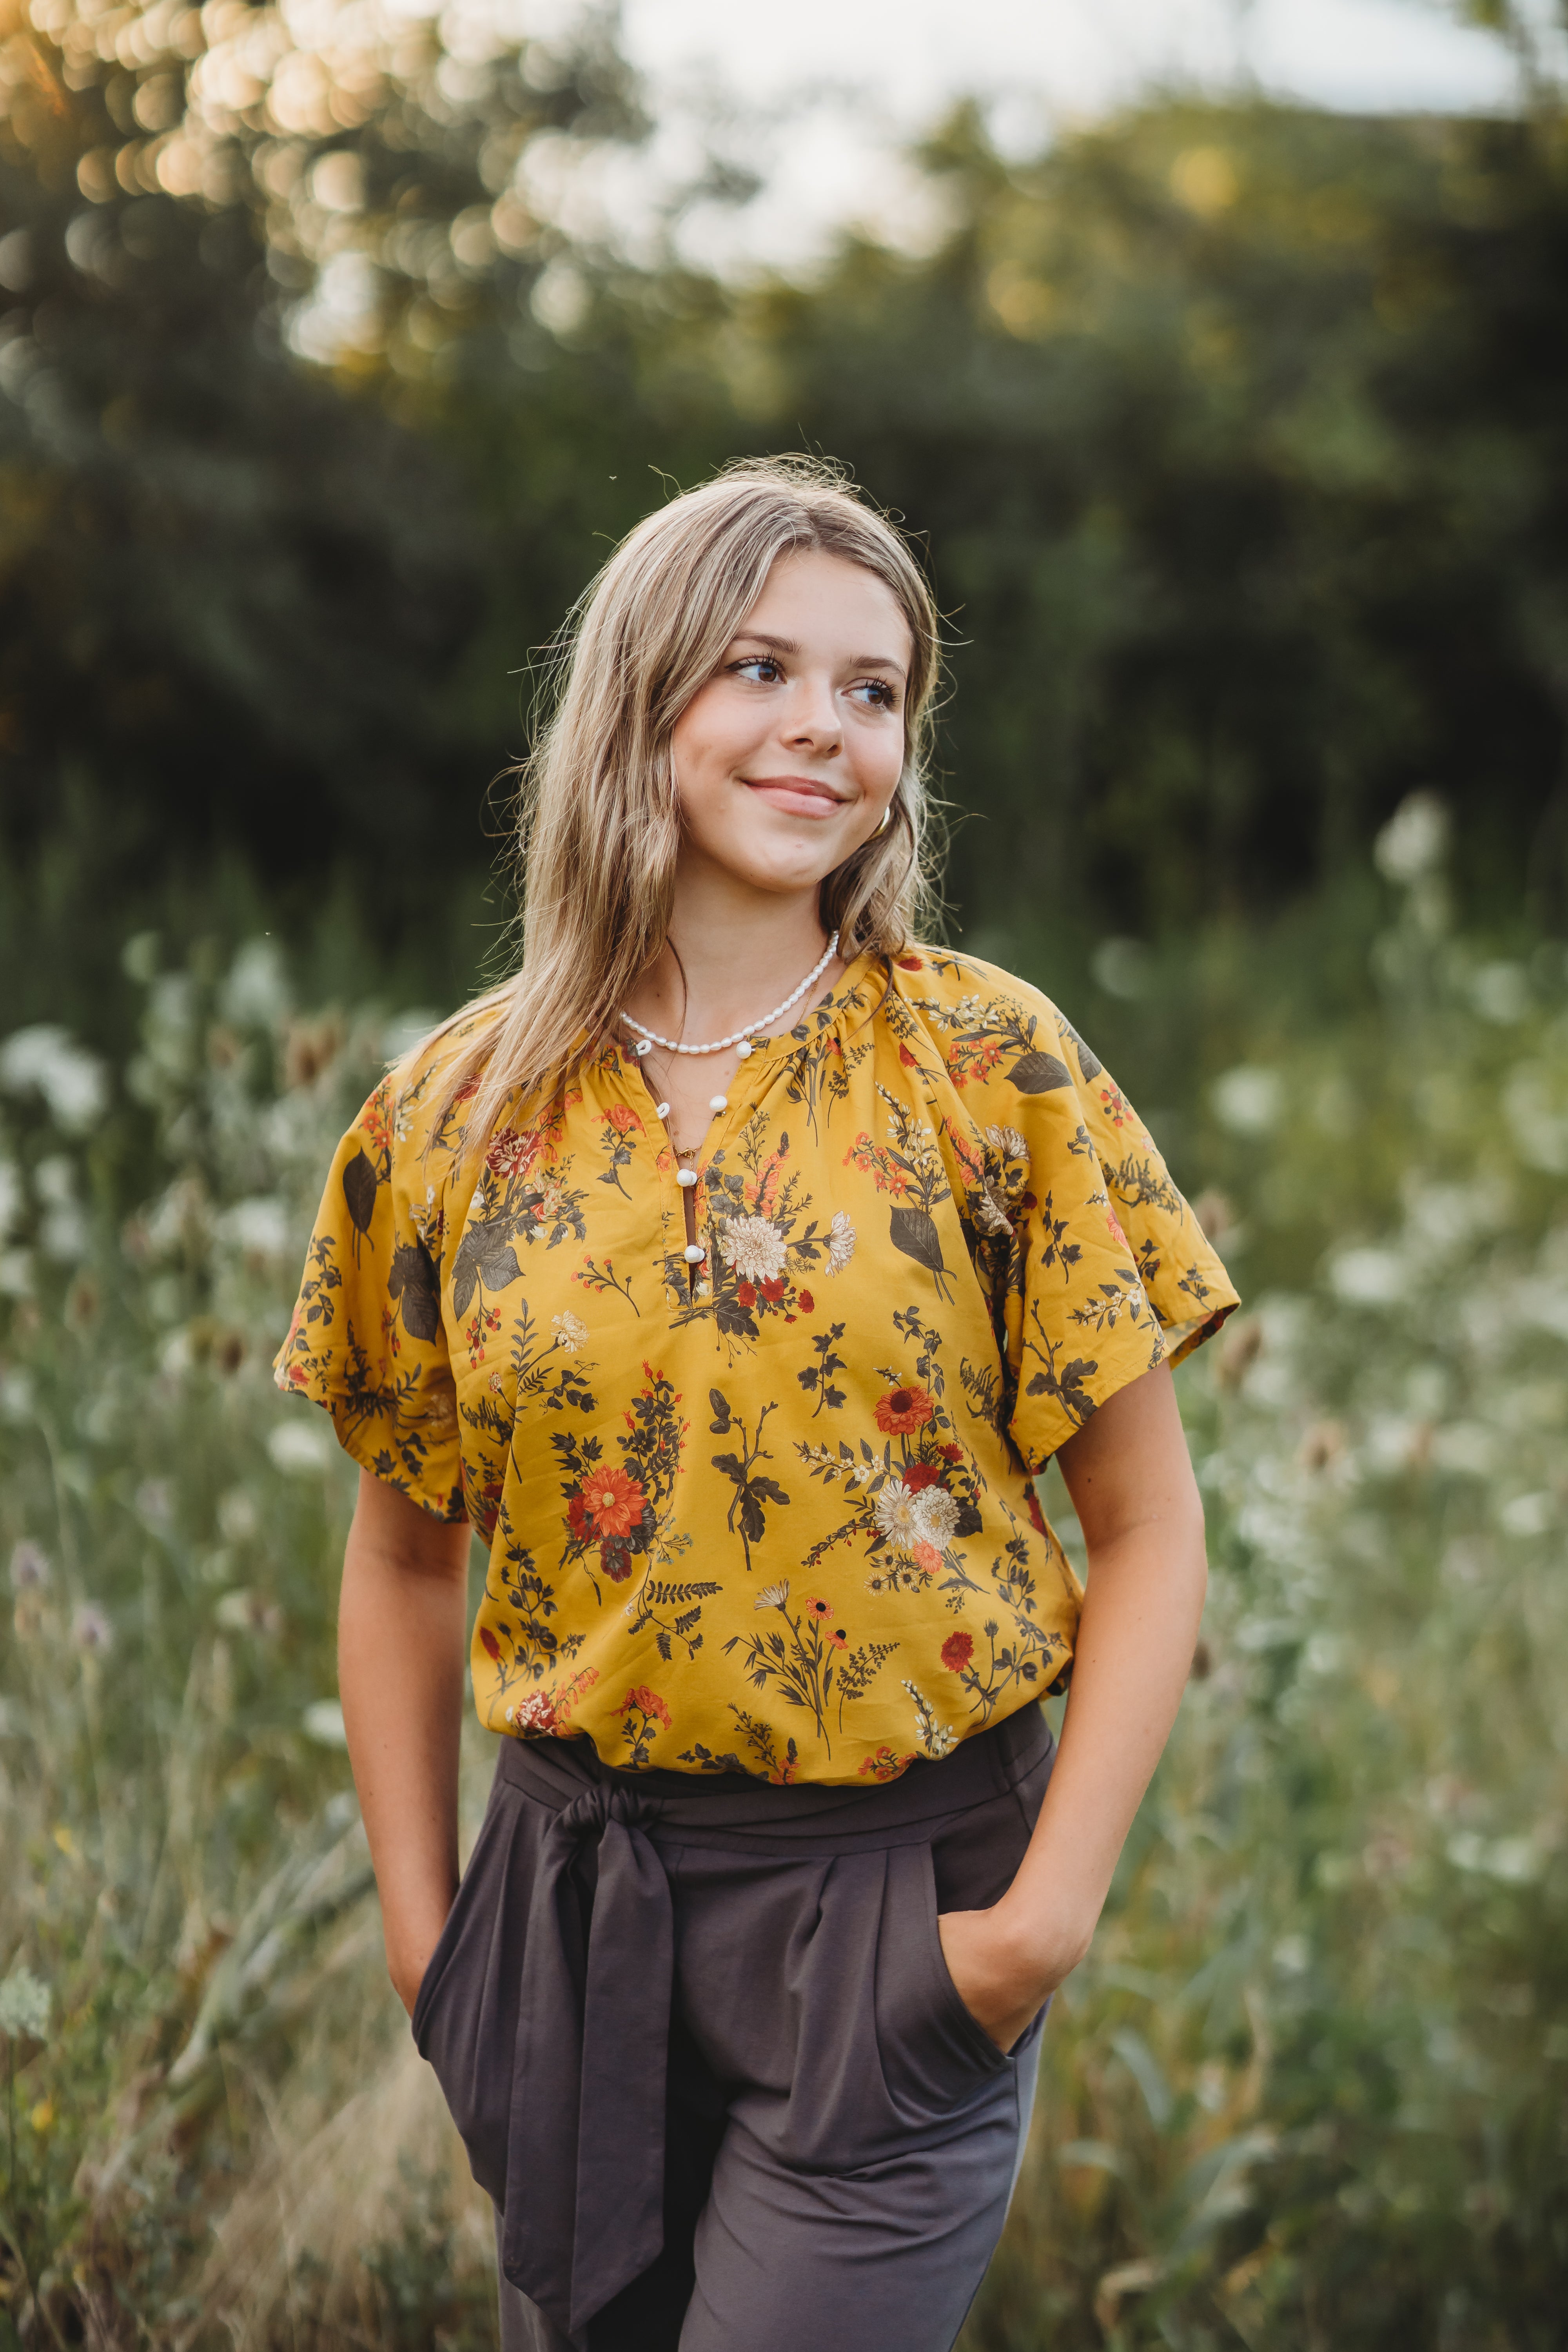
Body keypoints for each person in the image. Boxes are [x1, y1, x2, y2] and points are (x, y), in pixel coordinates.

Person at [275, 455, 1238, 2352]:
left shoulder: (991, 1067)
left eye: (872, 691)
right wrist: (428, 1945)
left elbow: (1146, 1530)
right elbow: (400, 1567)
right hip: (566, 1913)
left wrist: (1030, 1932)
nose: (825, 730)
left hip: (897, 1908)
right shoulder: (447, 1115)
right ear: (639, 702)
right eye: (762, 671)